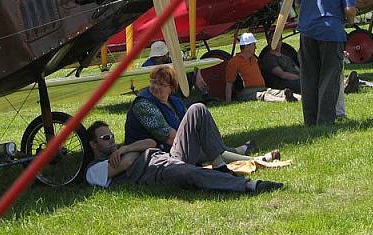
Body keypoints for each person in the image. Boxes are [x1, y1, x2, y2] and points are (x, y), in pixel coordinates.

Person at [85, 110, 284, 194]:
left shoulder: (121, 149)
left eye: (111, 135)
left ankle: (220, 166)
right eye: (105, 138)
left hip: (167, 157)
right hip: (155, 173)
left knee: (197, 110)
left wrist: (128, 147)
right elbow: (127, 164)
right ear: (93, 145)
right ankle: (249, 186)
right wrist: (134, 151)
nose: (111, 139)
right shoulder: (93, 170)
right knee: (189, 172)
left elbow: (150, 141)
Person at [125, 66, 279, 164]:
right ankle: (253, 159)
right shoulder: (143, 104)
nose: (155, 87)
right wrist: (197, 141)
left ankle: (252, 159)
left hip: (177, 147)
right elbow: (169, 137)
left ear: (171, 88)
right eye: (153, 82)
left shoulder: (175, 102)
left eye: (161, 84)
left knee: (208, 143)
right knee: (200, 114)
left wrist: (198, 139)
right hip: (161, 154)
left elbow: (190, 128)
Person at [296, 0, 357, 125]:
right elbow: (349, 9)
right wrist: (351, 20)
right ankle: (324, 121)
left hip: (307, 32)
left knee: (309, 76)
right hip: (332, 32)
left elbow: (298, 2)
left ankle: (310, 120)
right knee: (329, 77)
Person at [225, 33, 298, 103]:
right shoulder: (234, 61)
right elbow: (229, 83)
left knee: (275, 92)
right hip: (248, 91)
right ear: (247, 46)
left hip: (262, 88)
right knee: (262, 96)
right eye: (254, 45)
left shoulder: (253, 59)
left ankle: (299, 97)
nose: (256, 48)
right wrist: (228, 101)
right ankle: (284, 100)